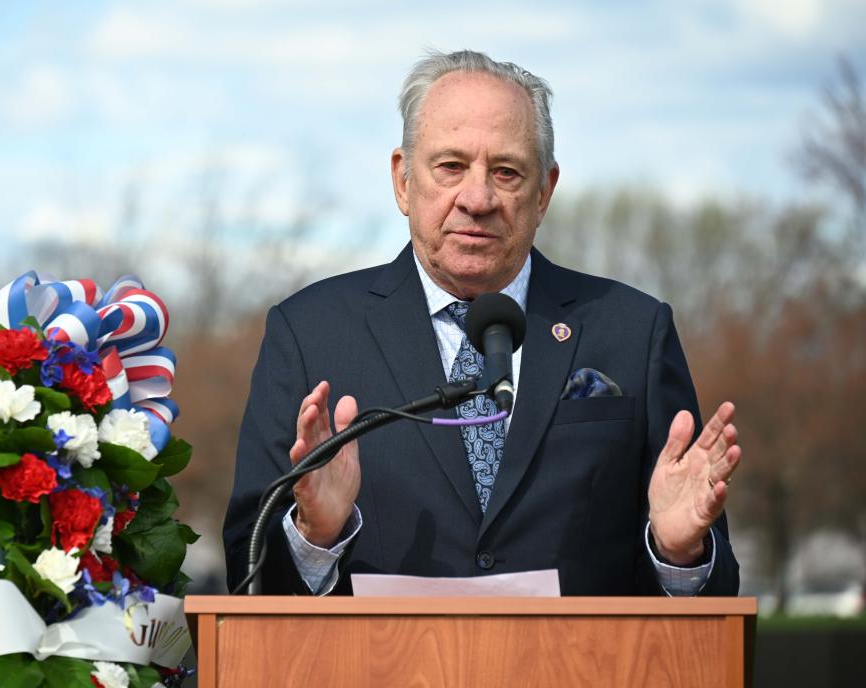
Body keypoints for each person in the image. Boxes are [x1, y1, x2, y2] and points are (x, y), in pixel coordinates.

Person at [222, 49, 741, 596]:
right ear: (402, 180)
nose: (477, 198)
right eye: (450, 166)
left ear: (544, 192)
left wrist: (678, 553)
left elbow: (714, 602)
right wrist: (315, 535)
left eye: (507, 172)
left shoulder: (633, 333)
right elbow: (245, 573)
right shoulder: (308, 333)